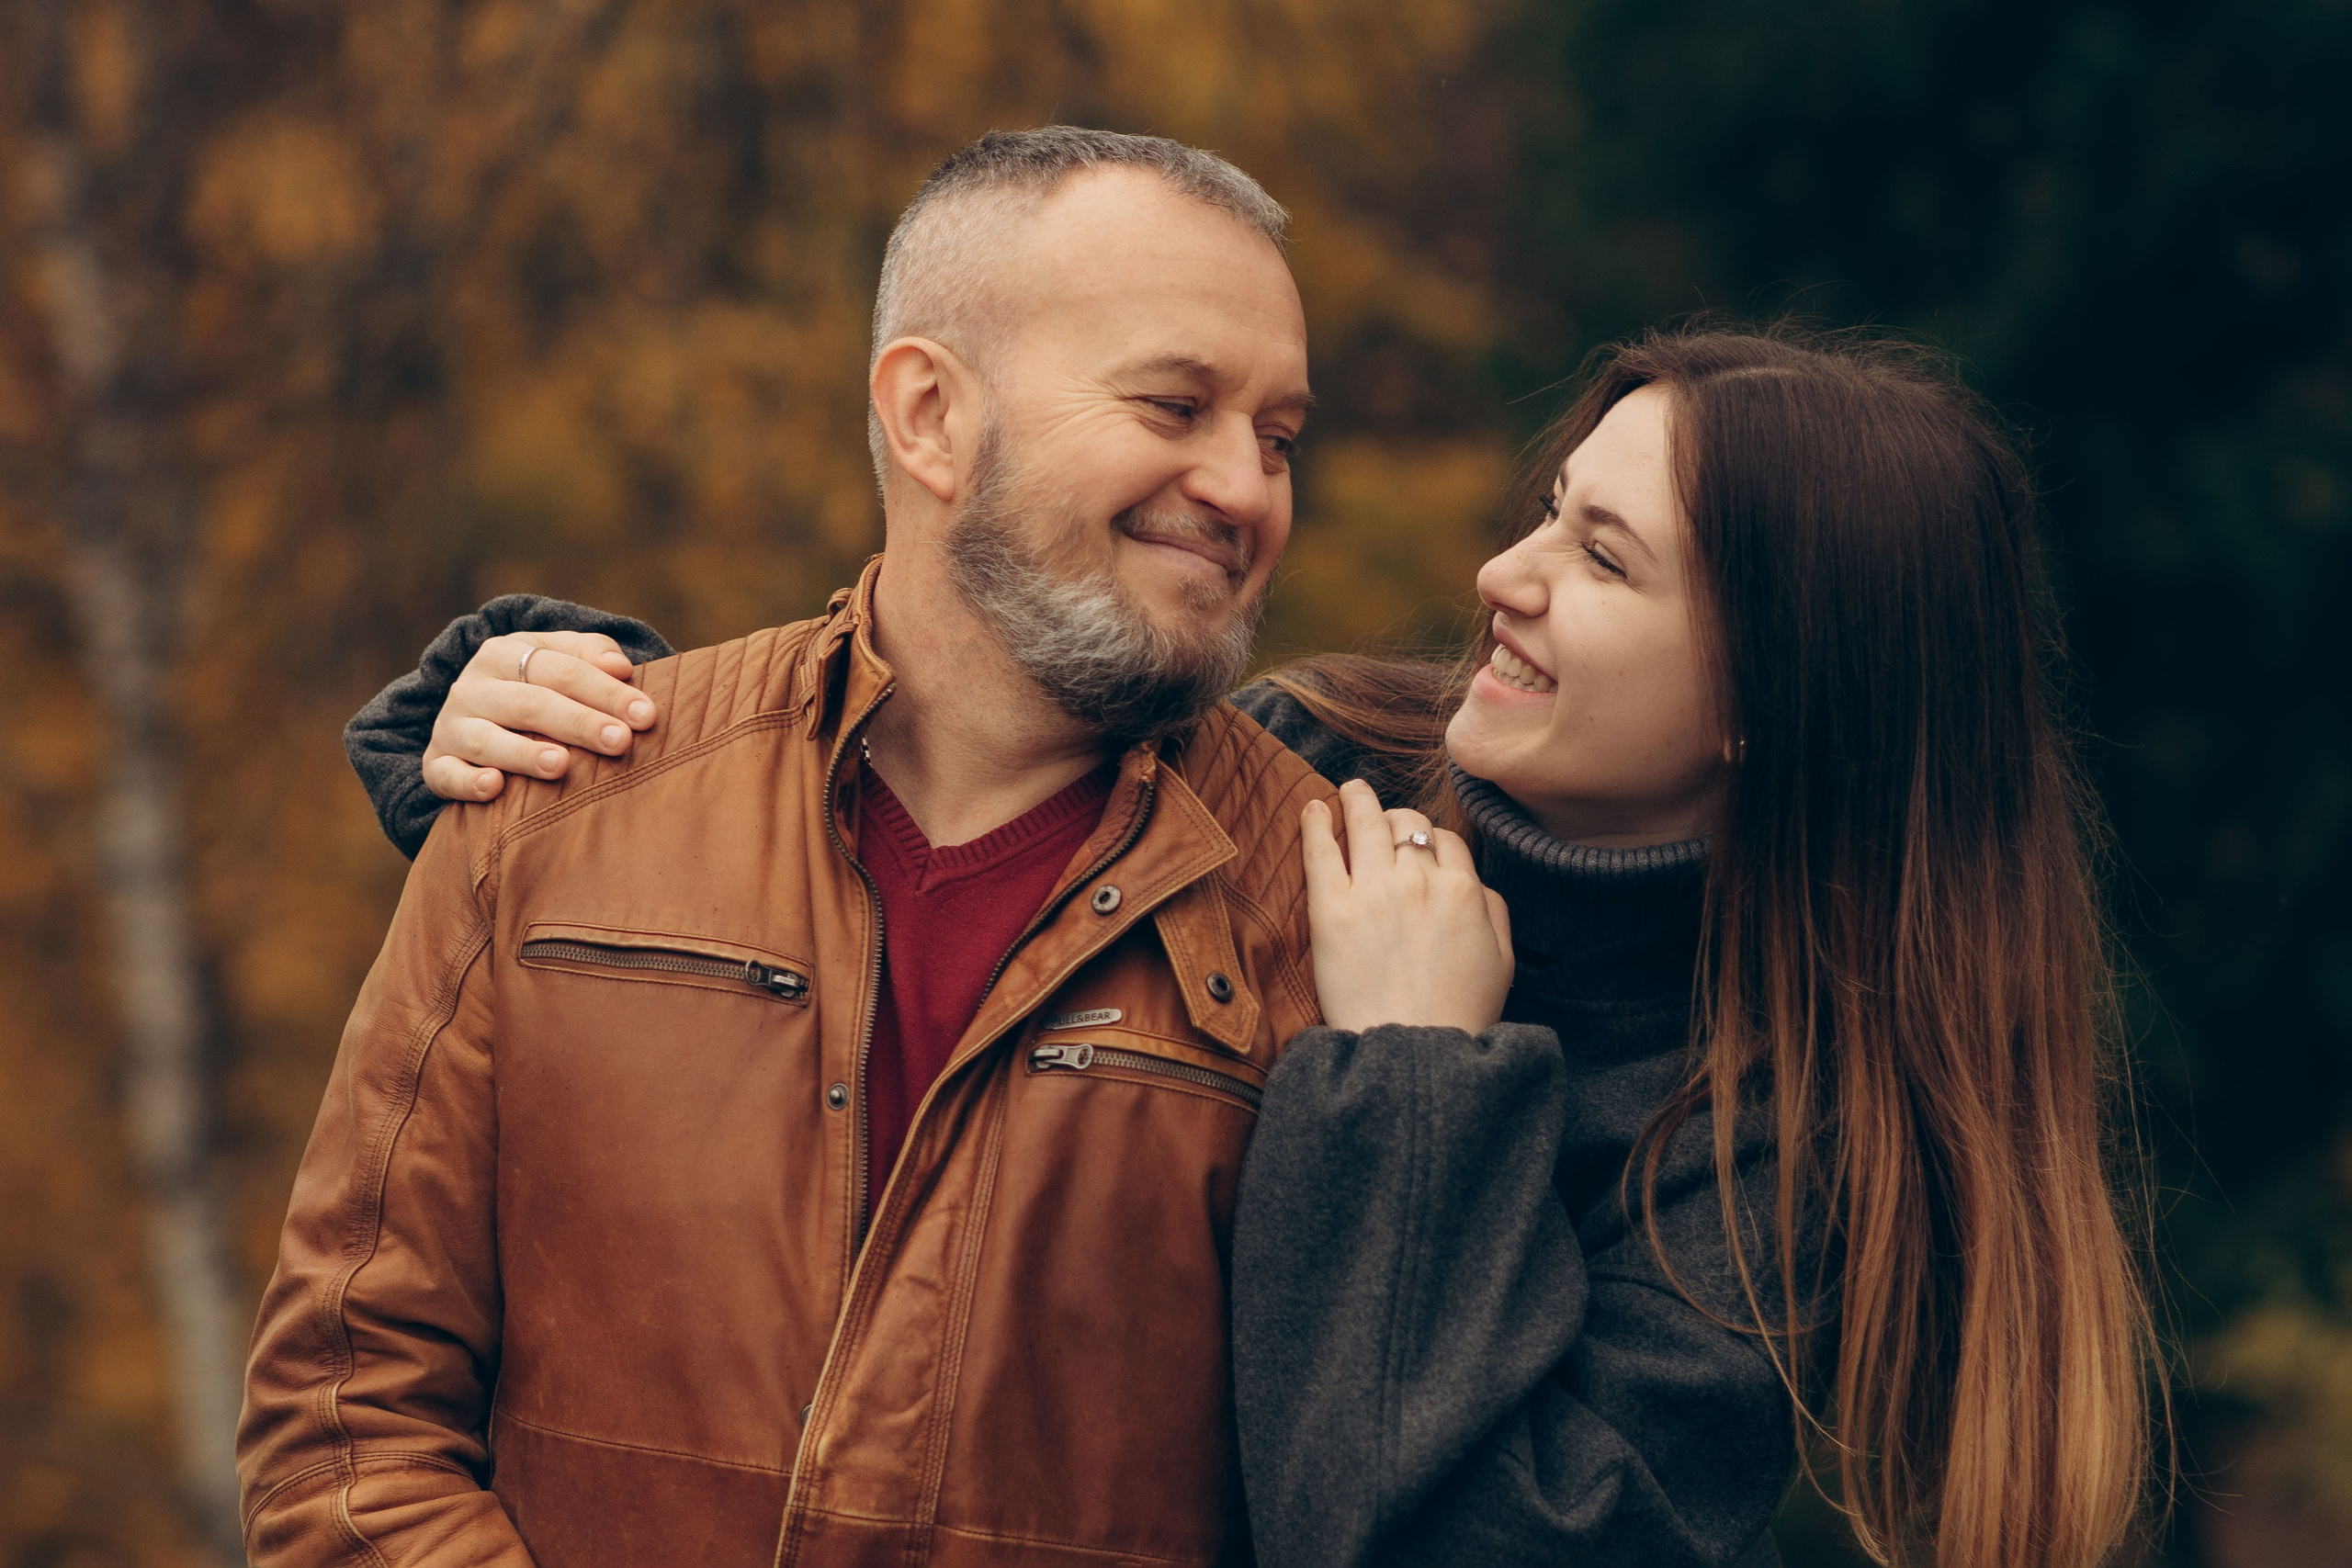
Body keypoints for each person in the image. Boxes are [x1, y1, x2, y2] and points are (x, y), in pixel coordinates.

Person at [383, 328, 2159, 1568]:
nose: (1500, 572)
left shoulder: (1786, 1144)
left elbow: (1424, 1544)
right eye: (1549, 507)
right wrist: (542, 705)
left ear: (1769, 705)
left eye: (1603, 560)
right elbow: (921, 788)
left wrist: (1412, 1081)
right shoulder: (1307, 771)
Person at [240, 127, 1338, 1568]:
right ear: (931, 416)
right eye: (1175, 404)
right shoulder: (554, 801)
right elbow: (343, 1419)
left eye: (1277, 437)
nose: (1247, 491)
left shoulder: (1342, 916)